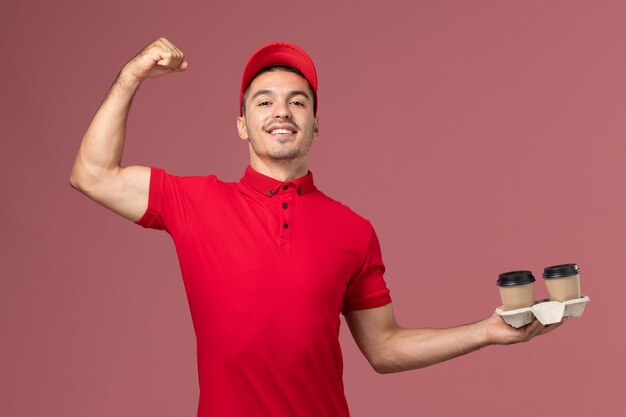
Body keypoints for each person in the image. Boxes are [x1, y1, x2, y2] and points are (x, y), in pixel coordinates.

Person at [70, 38, 564, 417]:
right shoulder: (194, 201)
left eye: (297, 102)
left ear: (315, 123)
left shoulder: (353, 230)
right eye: (263, 101)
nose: (281, 111)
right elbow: (91, 174)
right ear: (241, 123)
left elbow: (385, 348)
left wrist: (487, 331)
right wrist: (132, 73)